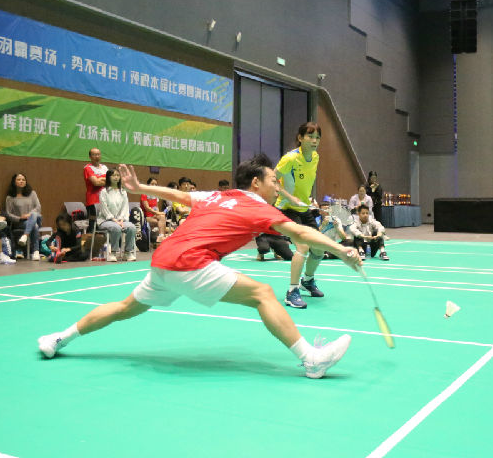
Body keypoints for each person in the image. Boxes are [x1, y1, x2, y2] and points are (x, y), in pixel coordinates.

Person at [37, 154, 362, 379]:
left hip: (164, 260)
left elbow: (177, 196)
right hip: (191, 262)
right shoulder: (258, 207)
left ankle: (58, 339)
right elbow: (300, 233)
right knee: (263, 293)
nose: (278, 187)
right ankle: (311, 359)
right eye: (274, 181)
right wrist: (341, 249)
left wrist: (141, 189)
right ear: (255, 183)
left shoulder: (218, 196)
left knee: (124, 307)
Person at [274, 121, 324, 309]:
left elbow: (306, 183)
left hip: (304, 209)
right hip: (287, 208)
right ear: (300, 138)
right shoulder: (290, 158)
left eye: (317, 137)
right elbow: (272, 180)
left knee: (319, 248)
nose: (314, 140)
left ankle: (307, 280)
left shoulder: (316, 157)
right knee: (302, 245)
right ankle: (292, 291)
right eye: (310, 136)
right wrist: (291, 197)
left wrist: (309, 200)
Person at [97, 168, 137, 261]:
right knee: (116, 228)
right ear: (108, 177)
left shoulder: (123, 192)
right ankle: (113, 253)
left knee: (132, 227)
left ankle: (127, 252)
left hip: (120, 220)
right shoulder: (104, 192)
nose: (116, 177)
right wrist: (114, 220)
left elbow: (125, 207)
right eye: (113, 175)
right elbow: (104, 209)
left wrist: (121, 219)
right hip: (105, 220)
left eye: (118, 175)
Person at [4, 172, 43, 261]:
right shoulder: (10, 198)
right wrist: (20, 218)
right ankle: (36, 252)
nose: (21, 181)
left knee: (34, 215)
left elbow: (38, 207)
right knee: (34, 226)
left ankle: (25, 235)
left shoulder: (32, 193)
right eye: (19, 179)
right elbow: (8, 214)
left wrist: (29, 215)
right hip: (21, 222)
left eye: (23, 180)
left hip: (36, 218)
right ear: (14, 182)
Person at [141, 177, 169, 244]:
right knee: (162, 223)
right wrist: (158, 213)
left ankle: (161, 236)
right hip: (146, 218)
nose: (154, 186)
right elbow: (147, 208)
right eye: (152, 184)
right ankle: (162, 236)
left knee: (162, 217)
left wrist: (158, 214)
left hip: (154, 216)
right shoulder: (144, 194)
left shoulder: (155, 195)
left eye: (155, 184)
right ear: (148, 185)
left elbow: (156, 207)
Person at [83, 147, 108, 217]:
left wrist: (99, 178)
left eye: (98, 154)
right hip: (93, 201)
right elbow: (96, 183)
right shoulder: (87, 168)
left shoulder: (104, 167)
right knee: (93, 222)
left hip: (105, 200)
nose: (97, 156)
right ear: (90, 157)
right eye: (94, 155)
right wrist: (105, 180)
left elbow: (111, 181)